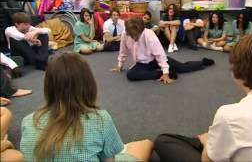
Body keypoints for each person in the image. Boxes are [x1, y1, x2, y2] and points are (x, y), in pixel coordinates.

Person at [20, 52, 154, 161]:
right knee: (145, 144)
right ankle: (115, 146)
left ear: (48, 85)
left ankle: (114, 146)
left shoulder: (28, 121)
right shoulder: (100, 119)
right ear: (88, 84)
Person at [112, 17, 215, 84]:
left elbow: (160, 55)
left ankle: (203, 62)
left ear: (141, 31)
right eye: (131, 35)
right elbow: (123, 50)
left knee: (183, 68)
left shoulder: (149, 34)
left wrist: (165, 73)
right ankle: (158, 73)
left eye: (136, 36)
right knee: (131, 75)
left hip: (156, 59)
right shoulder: (126, 34)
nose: (133, 38)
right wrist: (120, 64)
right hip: (142, 64)